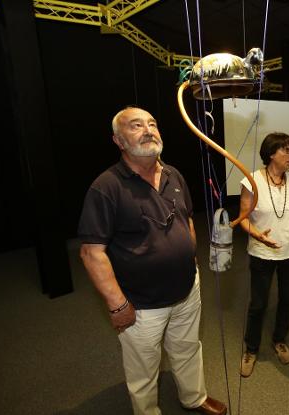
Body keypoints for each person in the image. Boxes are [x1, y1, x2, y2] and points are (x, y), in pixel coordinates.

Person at [78, 107, 226, 415]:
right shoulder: (106, 187)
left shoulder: (174, 174)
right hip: (140, 304)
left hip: (187, 290)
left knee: (187, 349)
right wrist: (118, 305)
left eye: (153, 124)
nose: (148, 130)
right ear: (118, 141)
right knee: (143, 371)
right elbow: (92, 253)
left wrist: (191, 264)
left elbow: (187, 220)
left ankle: (193, 397)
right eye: (136, 126)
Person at [238, 132, 289, 377]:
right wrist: (259, 236)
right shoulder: (251, 180)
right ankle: (251, 349)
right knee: (258, 305)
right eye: (286, 150)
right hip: (262, 253)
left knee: (287, 300)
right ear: (271, 153)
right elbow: (243, 219)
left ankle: (279, 340)